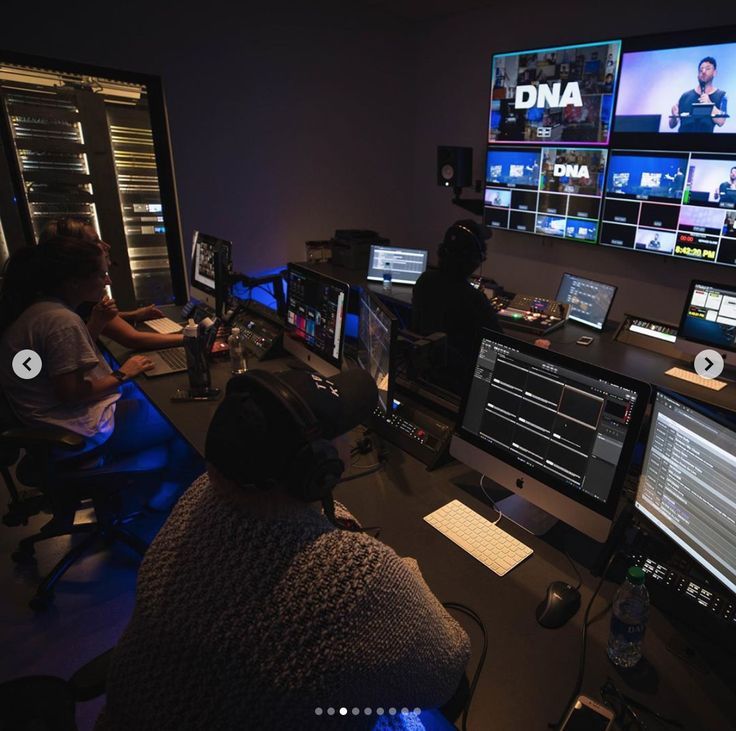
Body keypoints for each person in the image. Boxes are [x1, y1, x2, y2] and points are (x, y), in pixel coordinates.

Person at [95, 368, 471, 730]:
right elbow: (443, 671)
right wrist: (405, 574)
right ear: (318, 468)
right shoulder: (356, 574)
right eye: (343, 434)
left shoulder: (202, 498)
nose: (350, 441)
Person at [0, 238, 198, 508]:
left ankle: (154, 487)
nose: (107, 281)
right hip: (75, 435)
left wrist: (96, 326)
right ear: (73, 282)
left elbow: (61, 363)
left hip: (53, 422)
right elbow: (69, 393)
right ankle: (171, 496)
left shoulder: (42, 311)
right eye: (102, 274)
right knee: (183, 418)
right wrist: (122, 375)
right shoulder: (60, 321)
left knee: (155, 396)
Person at [412, 220, 549, 394]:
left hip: (428, 378)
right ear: (475, 259)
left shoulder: (425, 280)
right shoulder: (472, 298)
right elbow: (501, 349)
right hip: (463, 385)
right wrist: (534, 348)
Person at [39, 217, 183, 350]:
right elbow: (133, 339)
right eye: (95, 241)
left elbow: (97, 321)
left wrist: (133, 315)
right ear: (74, 251)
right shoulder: (63, 319)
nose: (106, 246)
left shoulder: (59, 296)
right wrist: (192, 338)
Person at [669, 56, 728, 133]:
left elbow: (721, 122)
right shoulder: (685, 96)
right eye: (701, 69)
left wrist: (709, 104)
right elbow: (672, 125)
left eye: (707, 69)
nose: (703, 71)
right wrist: (674, 116)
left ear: (715, 73)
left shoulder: (722, 96)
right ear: (698, 74)